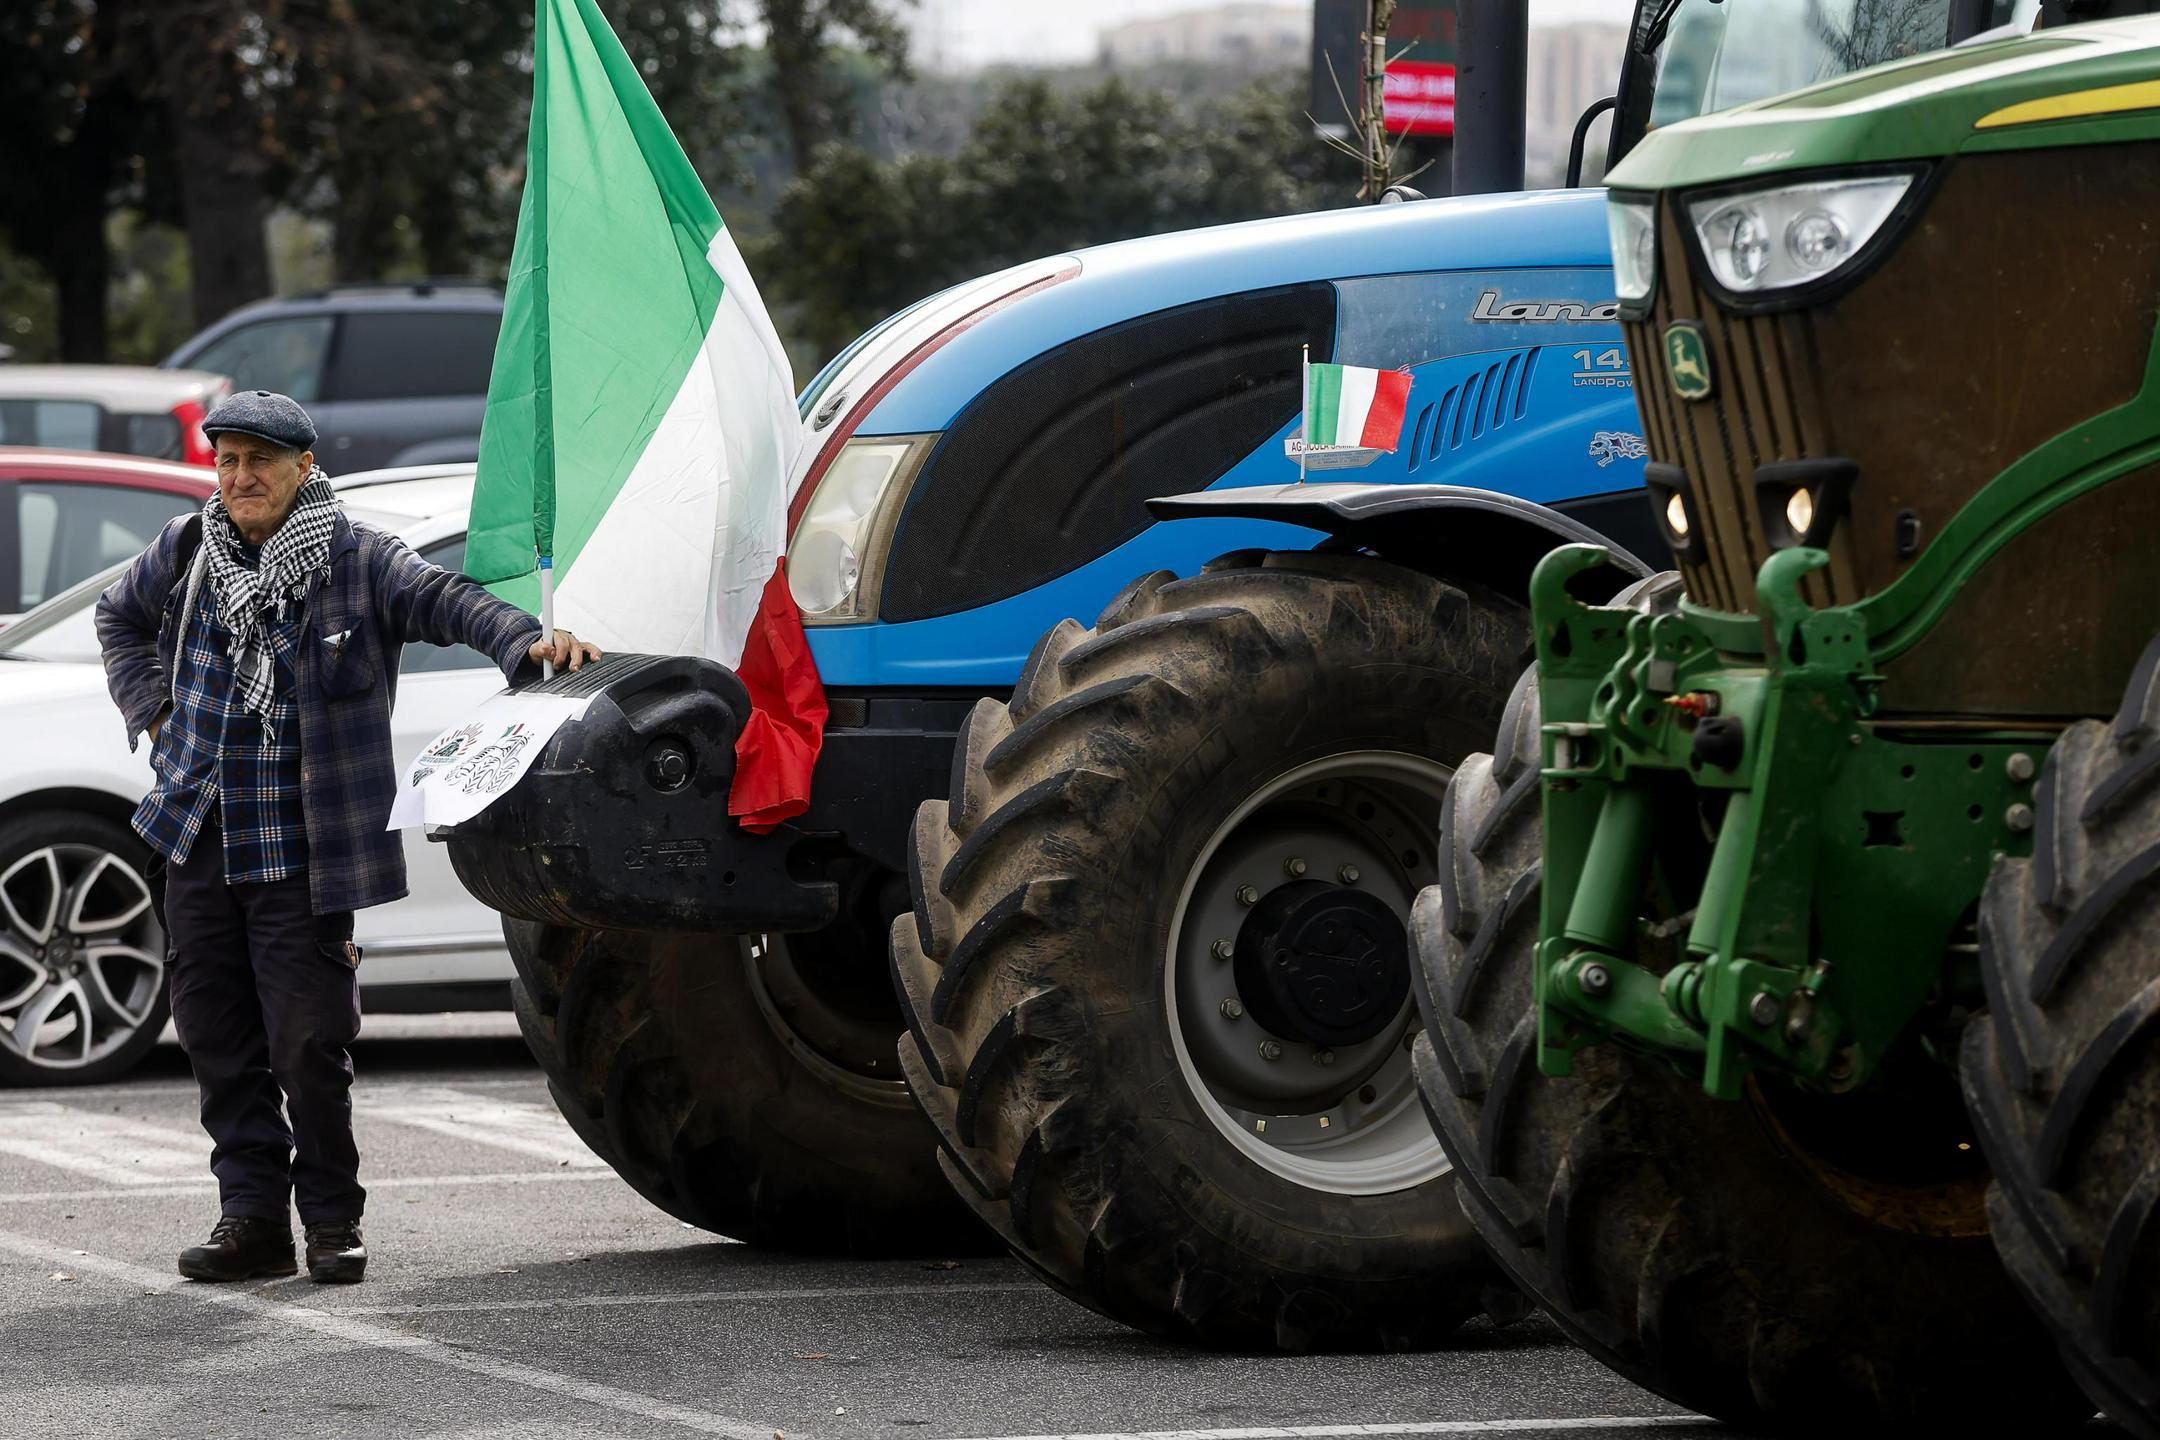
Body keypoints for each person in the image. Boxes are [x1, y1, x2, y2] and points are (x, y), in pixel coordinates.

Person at [95, 390, 600, 1285]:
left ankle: (331, 1219)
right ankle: (249, 1220)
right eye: (228, 460)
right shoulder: (186, 550)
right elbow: (118, 619)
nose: (241, 477)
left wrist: (528, 645)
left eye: (260, 461)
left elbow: (449, 601)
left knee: (308, 1046)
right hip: (198, 834)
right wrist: (155, 711)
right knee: (214, 1037)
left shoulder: (359, 558)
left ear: (304, 468)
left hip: (305, 849)